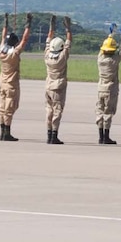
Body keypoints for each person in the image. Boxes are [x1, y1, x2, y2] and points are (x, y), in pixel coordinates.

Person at [0, 11, 32, 141]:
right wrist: (28, 25)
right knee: (9, 109)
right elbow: (24, 40)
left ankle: (2, 131)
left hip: (2, 83)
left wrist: (5, 23)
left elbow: (2, 38)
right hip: (11, 85)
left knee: (1, 108)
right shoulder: (14, 54)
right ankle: (7, 132)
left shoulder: (1, 51)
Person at [96, 24, 121, 145]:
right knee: (108, 112)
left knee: (100, 111)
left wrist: (110, 35)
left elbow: (102, 50)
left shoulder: (100, 59)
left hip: (100, 88)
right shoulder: (114, 60)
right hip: (111, 90)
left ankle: (100, 136)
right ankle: (106, 136)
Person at [44, 14, 72, 145]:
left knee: (48, 110)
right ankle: (54, 134)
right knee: (57, 111)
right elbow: (68, 43)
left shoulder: (47, 56)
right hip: (58, 87)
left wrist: (52, 27)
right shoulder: (62, 57)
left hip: (48, 85)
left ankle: (49, 134)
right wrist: (68, 29)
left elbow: (48, 40)